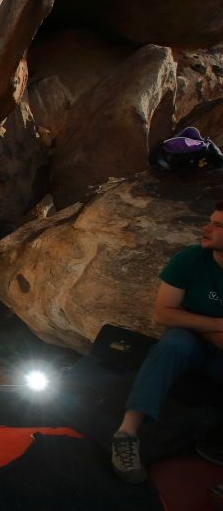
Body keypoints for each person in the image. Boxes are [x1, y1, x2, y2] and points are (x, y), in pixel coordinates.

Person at [111, 201, 223, 483]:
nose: (206, 228)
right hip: (190, 343)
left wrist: (191, 319)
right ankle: (126, 434)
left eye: (218, 225)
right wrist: (217, 325)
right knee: (173, 344)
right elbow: (163, 314)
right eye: (210, 220)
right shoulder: (191, 259)